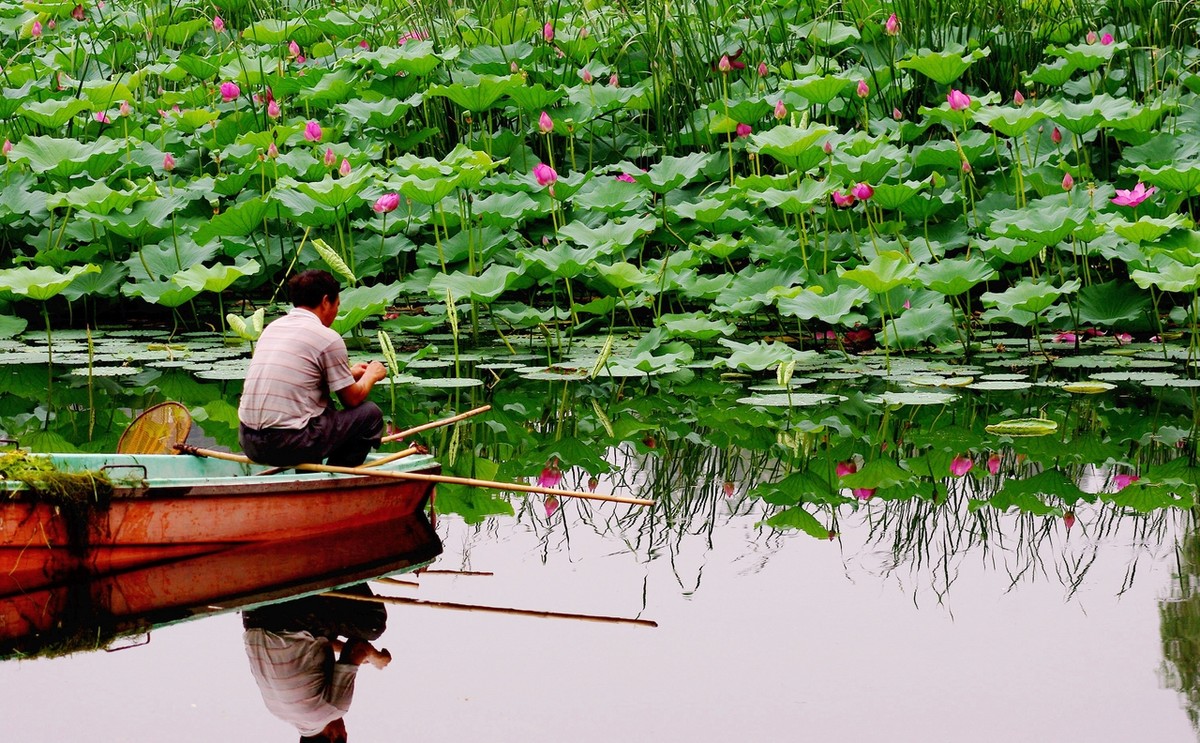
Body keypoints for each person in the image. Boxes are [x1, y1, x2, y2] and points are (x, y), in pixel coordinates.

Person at [238, 270, 387, 467]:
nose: (335, 312)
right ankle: (337, 480)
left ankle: (311, 477)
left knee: (323, 407)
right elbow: (351, 400)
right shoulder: (327, 338)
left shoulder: (272, 328)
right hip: (285, 444)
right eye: (337, 305)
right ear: (326, 301)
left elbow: (300, 380)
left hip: (249, 441)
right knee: (370, 414)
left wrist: (347, 374)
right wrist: (371, 375)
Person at [243, 585, 392, 743]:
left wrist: (377, 658)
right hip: (254, 615)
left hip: (288, 615)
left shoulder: (333, 710)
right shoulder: (278, 711)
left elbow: (357, 646)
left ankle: (346, 569)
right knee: (331, 627)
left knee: (373, 625)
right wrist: (357, 655)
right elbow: (313, 642)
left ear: (334, 737)